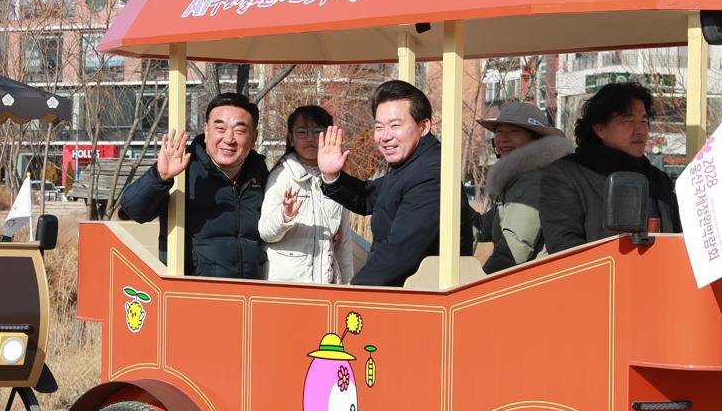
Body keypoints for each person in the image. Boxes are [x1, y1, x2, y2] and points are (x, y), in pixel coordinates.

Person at [317, 80, 474, 287]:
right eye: (379, 127)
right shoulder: (411, 163)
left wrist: (353, 295)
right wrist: (332, 176)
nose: (385, 136)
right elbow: (369, 197)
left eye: (395, 126)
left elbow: (399, 254)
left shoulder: (430, 174)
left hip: (420, 299)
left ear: (424, 126)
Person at [119, 92, 268, 279]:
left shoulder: (260, 172)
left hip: (250, 293)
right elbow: (133, 210)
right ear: (206, 131)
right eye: (220, 128)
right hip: (193, 292)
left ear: (253, 137)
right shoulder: (182, 168)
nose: (229, 139)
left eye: (239, 131)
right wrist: (160, 176)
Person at [540, 81, 680, 255]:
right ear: (599, 128)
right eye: (628, 120)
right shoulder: (564, 176)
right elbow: (564, 247)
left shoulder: (660, 180)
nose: (640, 130)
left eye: (644, 121)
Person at [258, 105, 354, 285]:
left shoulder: (337, 180)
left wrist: (348, 286)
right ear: (291, 138)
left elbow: (344, 244)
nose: (310, 138)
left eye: (318, 131)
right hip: (285, 287)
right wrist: (285, 216)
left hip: (325, 284)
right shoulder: (281, 176)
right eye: (302, 132)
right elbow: (265, 232)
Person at [478, 102, 573, 274]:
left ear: (535, 139)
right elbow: (486, 224)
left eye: (514, 131)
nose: (504, 138)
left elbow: (513, 251)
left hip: (535, 285)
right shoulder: (516, 179)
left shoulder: (534, 179)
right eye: (499, 131)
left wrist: (474, 286)